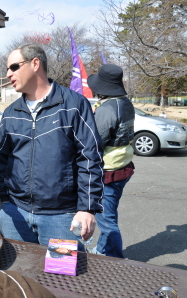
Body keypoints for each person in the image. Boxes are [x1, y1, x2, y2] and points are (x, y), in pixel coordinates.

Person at [0, 44, 104, 250]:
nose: (8, 74)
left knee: (60, 280)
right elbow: (1, 158)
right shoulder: (10, 113)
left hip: (61, 217)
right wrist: (5, 200)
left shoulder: (74, 104)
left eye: (14, 67)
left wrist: (87, 208)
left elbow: (90, 157)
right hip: (15, 215)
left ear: (35, 63)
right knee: (18, 276)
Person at [87, 64, 135, 258]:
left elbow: (95, 141)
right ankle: (101, 250)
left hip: (109, 170)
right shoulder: (125, 102)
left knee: (107, 222)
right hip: (123, 165)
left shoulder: (108, 108)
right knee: (110, 215)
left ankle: (117, 261)